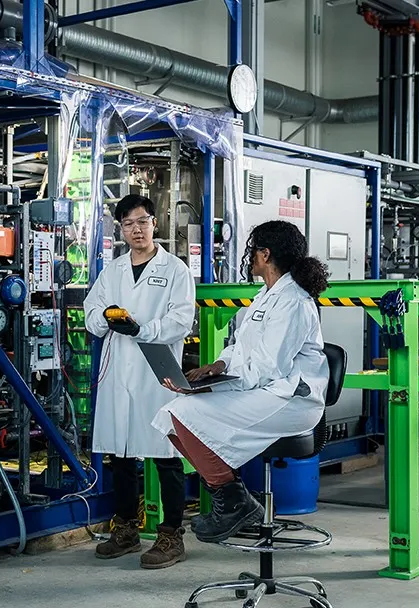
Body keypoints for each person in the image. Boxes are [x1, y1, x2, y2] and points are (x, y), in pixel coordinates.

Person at [153, 220, 329, 542]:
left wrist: (216, 386)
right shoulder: (267, 294)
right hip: (265, 389)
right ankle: (235, 496)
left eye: (252, 250)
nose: (249, 257)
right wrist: (219, 366)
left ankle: (233, 502)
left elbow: (268, 366)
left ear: (266, 254)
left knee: (183, 413)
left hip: (291, 400)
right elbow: (242, 346)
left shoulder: (293, 301)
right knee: (170, 416)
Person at [83, 194, 196, 568]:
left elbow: (181, 320)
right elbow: (91, 312)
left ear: (154, 224)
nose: (137, 230)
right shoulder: (112, 271)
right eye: (129, 224)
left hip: (157, 374)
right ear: (120, 229)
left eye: (142, 221)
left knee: (166, 454)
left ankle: (171, 535)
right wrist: (107, 318)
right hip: (119, 373)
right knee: (122, 454)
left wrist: (141, 329)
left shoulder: (175, 269)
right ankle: (126, 529)